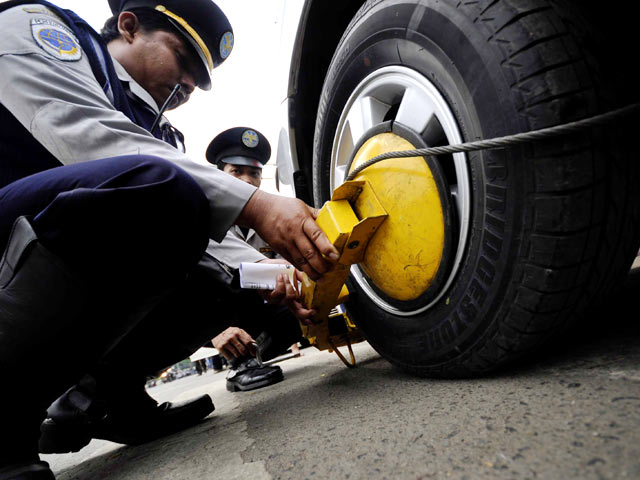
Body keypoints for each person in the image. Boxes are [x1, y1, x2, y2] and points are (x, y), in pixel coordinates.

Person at [0, 1, 337, 479]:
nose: (189, 85)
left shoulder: (152, 127)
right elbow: (86, 133)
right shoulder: (37, 28)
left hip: (27, 248)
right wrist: (256, 205)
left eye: (199, 78)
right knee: (163, 192)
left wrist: (285, 270)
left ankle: (107, 400)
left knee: (227, 274)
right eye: (181, 58)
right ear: (130, 26)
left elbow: (210, 241)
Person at [205, 127, 309, 392]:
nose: (247, 180)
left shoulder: (272, 218)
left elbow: (289, 265)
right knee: (230, 282)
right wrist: (214, 330)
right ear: (219, 175)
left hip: (261, 303)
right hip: (209, 310)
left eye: (254, 173)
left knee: (297, 302)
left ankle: (255, 351)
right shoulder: (202, 214)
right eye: (236, 172)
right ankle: (240, 361)